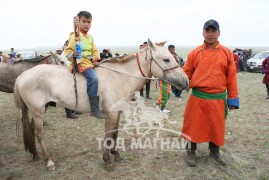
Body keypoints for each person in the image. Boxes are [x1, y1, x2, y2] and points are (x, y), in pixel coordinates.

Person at [181, 19, 239, 166]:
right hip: (198, 97)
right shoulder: (195, 52)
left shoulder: (226, 53)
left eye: (214, 31)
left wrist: (232, 99)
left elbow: (231, 77)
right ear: (203, 32)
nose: (210, 34)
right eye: (208, 31)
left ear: (219, 33)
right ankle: (190, 152)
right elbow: (186, 72)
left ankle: (215, 152)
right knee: (193, 125)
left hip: (218, 98)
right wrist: (180, 82)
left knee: (216, 127)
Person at [64, 11, 105, 119]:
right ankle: (94, 109)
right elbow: (67, 52)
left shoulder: (90, 37)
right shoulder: (75, 36)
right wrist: (74, 54)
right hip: (80, 62)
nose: (86, 24)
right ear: (79, 22)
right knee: (93, 78)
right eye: (84, 21)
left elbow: (95, 51)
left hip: (90, 62)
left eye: (89, 22)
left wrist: (96, 58)